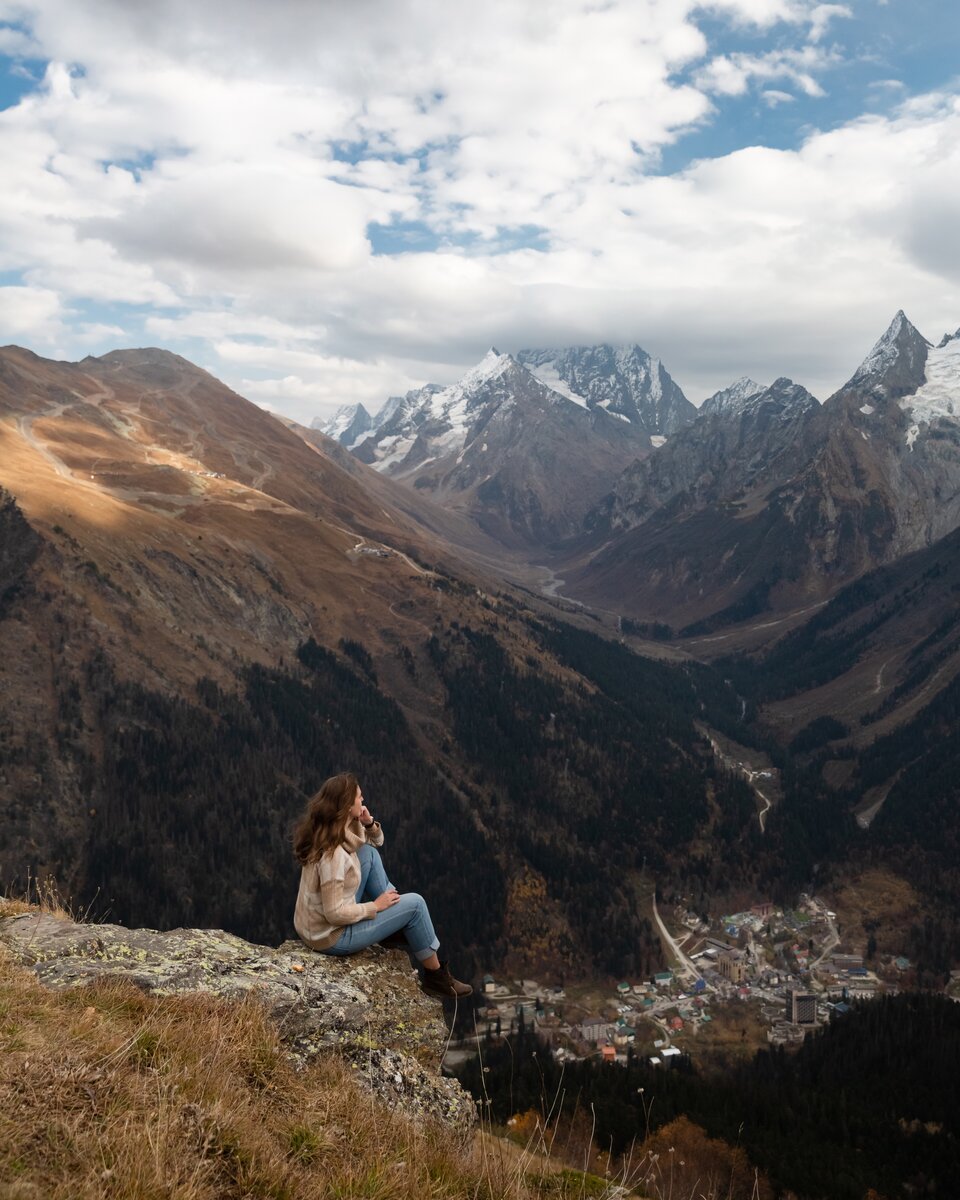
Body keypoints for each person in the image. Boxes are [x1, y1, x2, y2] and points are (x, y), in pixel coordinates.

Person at [292, 772, 472, 1000]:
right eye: (359, 797)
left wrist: (368, 824)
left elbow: (376, 843)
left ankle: (394, 925)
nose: (363, 799)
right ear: (347, 806)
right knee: (416, 904)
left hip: (314, 926)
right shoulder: (333, 856)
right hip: (331, 937)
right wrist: (375, 906)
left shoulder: (331, 832)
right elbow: (335, 914)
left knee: (368, 853)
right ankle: (436, 977)